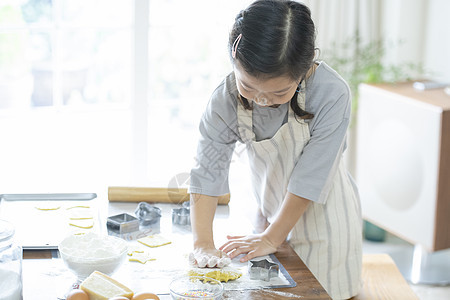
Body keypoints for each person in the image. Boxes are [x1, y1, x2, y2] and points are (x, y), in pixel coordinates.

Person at [188, 0, 362, 298]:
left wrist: (272, 238)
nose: (262, 100)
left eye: (279, 92)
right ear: (235, 59)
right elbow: (207, 171)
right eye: (248, 86)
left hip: (327, 226)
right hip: (269, 217)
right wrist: (203, 242)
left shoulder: (332, 93)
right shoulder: (224, 99)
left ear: (305, 68)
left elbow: (311, 177)